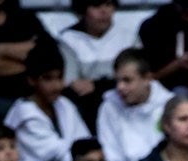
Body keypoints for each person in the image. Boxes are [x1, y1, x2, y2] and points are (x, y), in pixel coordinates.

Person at [3, 40, 91, 161]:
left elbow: (84, 140)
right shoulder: (24, 113)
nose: (56, 85)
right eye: (48, 78)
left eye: (59, 78)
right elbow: (55, 151)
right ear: (32, 80)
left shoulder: (64, 104)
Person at [96, 48, 174, 161]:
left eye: (127, 80)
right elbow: (109, 149)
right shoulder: (109, 107)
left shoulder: (170, 105)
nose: (120, 87)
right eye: (117, 81)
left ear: (147, 79)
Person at [57, 0, 137, 130]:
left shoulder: (128, 38)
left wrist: (97, 85)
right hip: (87, 103)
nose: (104, 12)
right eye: (96, 5)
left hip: (123, 97)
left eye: (108, 4)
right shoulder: (68, 39)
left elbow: (136, 75)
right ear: (82, 11)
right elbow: (72, 81)